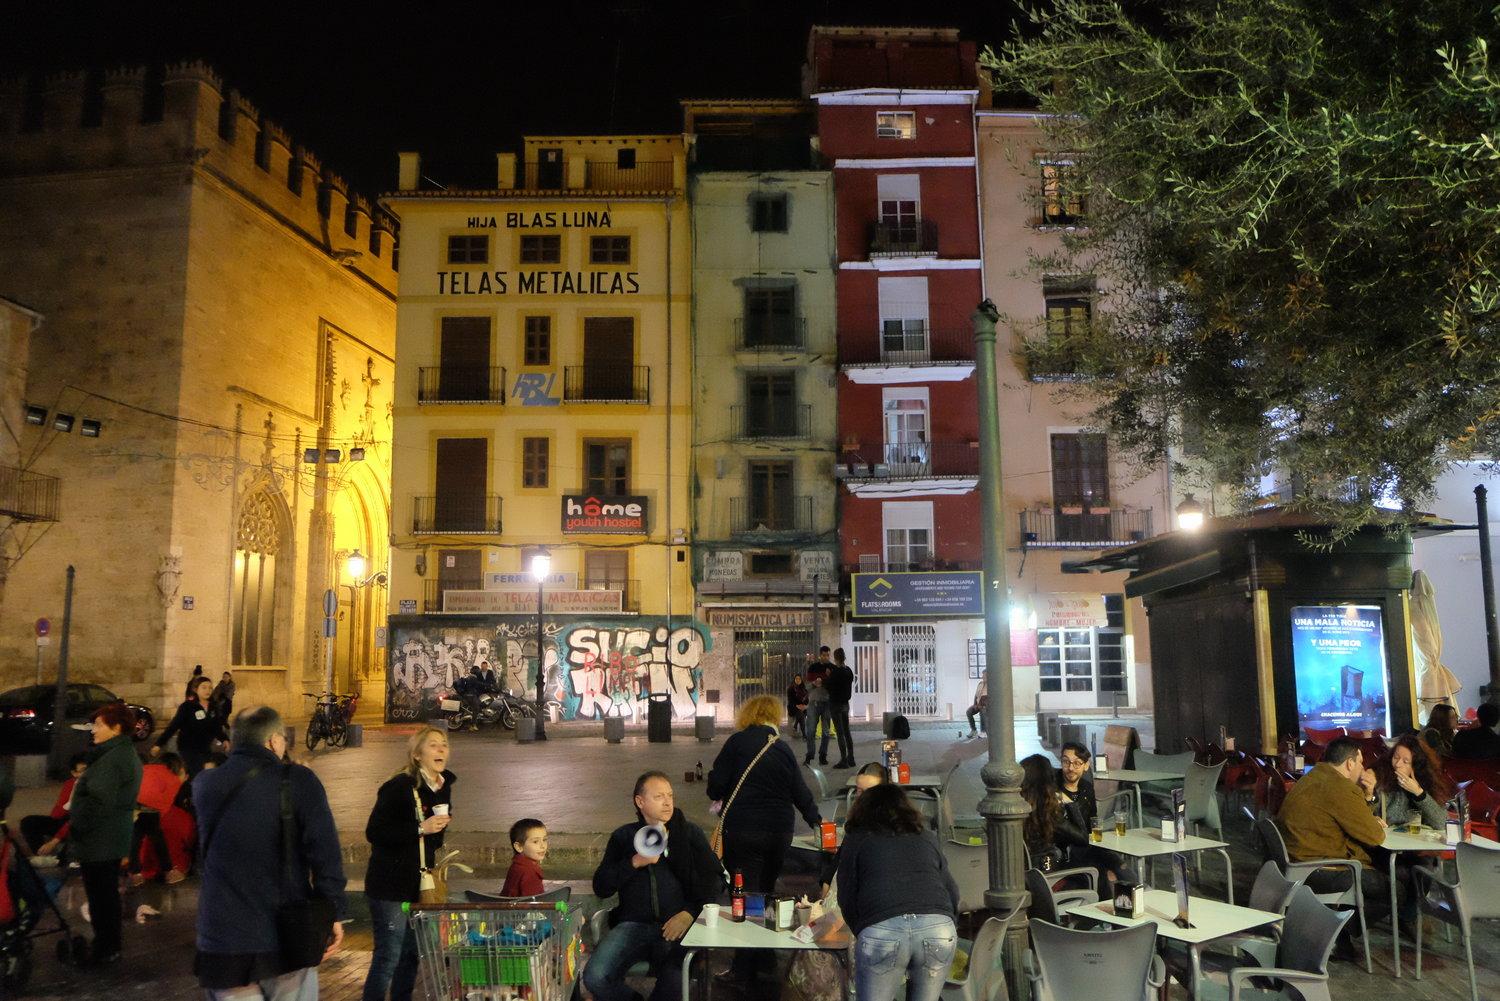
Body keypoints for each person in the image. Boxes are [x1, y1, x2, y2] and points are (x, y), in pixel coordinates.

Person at [195, 706, 347, 1000]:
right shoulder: (298, 781)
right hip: (284, 935)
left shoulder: (204, 784)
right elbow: (326, 854)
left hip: (222, 938)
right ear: (274, 740)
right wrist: (333, 911)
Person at [706, 695, 822, 984]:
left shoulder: (736, 743)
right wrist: (817, 822)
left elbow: (715, 787)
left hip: (744, 831)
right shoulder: (781, 748)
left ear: (747, 715)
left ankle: (744, 968)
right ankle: (765, 956)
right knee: (766, 889)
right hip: (779, 832)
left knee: (745, 894)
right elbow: (800, 791)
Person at [584, 772, 723, 1001]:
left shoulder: (689, 833)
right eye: (659, 797)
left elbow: (714, 882)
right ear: (640, 802)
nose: (668, 802)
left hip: (677, 926)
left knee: (675, 982)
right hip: (632, 926)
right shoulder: (624, 836)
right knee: (595, 977)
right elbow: (602, 887)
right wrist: (634, 862)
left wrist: (688, 914)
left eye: (670, 795)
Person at [837, 784, 959, 1001]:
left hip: (881, 929)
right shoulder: (926, 837)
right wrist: (948, 924)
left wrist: (863, 929)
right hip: (937, 928)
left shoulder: (857, 839)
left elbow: (846, 895)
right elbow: (951, 890)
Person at [362, 726, 454, 1001]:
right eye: (433, 745)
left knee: (411, 953)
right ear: (416, 755)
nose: (441, 749)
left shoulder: (443, 787)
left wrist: (435, 829)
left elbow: (434, 841)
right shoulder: (399, 787)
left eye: (444, 744)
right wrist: (420, 828)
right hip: (390, 884)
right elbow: (375, 832)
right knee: (389, 955)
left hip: (420, 885)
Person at [1276, 735, 1389, 945]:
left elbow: (1348, 818)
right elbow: (1375, 836)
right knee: (1394, 888)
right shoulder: (1340, 788)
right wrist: (1369, 797)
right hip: (1319, 870)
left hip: (1294, 863)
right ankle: (1334, 934)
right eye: (1361, 762)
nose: (1363, 768)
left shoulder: (1313, 776)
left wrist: (1366, 799)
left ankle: (1335, 931)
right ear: (1350, 763)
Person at [67, 703, 142, 966]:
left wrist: (78, 825)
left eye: (99, 725)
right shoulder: (117, 754)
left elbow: (99, 801)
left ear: (116, 728)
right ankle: (108, 946)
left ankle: (105, 948)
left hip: (100, 838)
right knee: (105, 894)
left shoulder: (114, 758)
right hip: (107, 837)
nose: (93, 730)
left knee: (102, 896)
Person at [1056, 742, 1121, 887]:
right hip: (1066, 852)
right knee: (1103, 873)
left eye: (1077, 763)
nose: (1070, 768)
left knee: (1119, 865)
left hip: (1087, 845)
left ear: (1086, 766)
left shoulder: (1086, 788)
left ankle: (1137, 893)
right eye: (1066, 762)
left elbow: (1093, 821)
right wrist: (1069, 803)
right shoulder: (1053, 789)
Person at [819, 762, 886, 897]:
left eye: (869, 792)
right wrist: (826, 882)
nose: (862, 797)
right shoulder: (857, 819)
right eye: (859, 790)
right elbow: (842, 855)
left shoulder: (891, 825)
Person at [1019, 753, 1087, 873]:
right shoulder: (1047, 813)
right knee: (1096, 858)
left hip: (1023, 873)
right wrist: (1069, 801)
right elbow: (1083, 838)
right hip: (1048, 875)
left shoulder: (1015, 808)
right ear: (1049, 783)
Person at [130, 751, 187, 886]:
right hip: (152, 811)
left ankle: (135, 874)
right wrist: (161, 813)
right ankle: (169, 871)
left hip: (134, 807)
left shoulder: (144, 769)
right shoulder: (173, 779)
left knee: (135, 840)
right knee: (158, 840)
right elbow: (167, 801)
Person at [1370, 735, 1452, 828]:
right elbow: (1385, 816)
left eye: (1405, 761)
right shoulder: (1381, 776)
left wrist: (1419, 793)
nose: (1398, 764)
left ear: (1416, 766)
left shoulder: (1428, 782)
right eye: (1396, 757)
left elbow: (1442, 823)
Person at [153, 676, 225, 776]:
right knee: (196, 773)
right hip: (188, 748)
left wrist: (224, 739)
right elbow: (173, 726)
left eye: (210, 688)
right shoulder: (187, 706)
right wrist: (159, 744)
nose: (207, 690)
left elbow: (216, 726)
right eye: (204, 687)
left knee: (205, 773)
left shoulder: (213, 707)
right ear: (196, 689)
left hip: (205, 748)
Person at [24, 752, 86, 855]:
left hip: (82, 827)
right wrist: (70, 801)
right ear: (74, 773)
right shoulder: (70, 784)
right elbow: (56, 814)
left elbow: (77, 819)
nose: (88, 773)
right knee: (29, 822)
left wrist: (54, 841)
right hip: (67, 821)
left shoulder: (94, 788)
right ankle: (42, 855)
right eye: (83, 770)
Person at [825, 648, 856, 768]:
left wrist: (828, 676)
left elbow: (829, 687)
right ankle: (851, 758)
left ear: (835, 658)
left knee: (840, 732)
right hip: (845, 704)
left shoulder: (835, 672)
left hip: (835, 704)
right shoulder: (848, 670)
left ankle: (843, 760)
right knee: (847, 731)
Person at [501, 818, 547, 898]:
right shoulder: (529, 871)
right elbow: (533, 902)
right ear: (519, 847)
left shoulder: (518, 864)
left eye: (544, 839)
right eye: (535, 841)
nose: (543, 846)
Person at [803, 647, 833, 766]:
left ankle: (823, 755)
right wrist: (814, 684)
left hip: (827, 702)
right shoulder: (813, 668)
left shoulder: (832, 668)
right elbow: (806, 686)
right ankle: (810, 755)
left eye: (828, 655)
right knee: (810, 731)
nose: (826, 657)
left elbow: (835, 686)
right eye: (824, 655)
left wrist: (827, 680)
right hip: (813, 703)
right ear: (820, 655)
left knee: (826, 732)